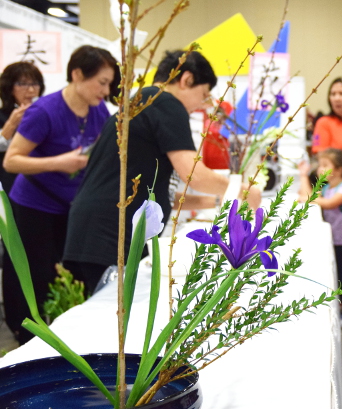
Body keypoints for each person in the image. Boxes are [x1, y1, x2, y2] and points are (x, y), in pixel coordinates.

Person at [63, 50, 249, 294]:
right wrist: (241, 189)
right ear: (187, 80)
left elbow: (163, 194)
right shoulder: (166, 102)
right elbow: (193, 174)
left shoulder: (145, 100)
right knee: (115, 317)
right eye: (203, 95)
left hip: (96, 228)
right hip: (109, 233)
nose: (201, 105)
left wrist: (220, 199)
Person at [3, 45, 119, 344]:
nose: (106, 91)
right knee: (34, 274)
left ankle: (67, 336)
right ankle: (26, 336)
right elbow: (11, 160)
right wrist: (62, 162)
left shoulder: (99, 111)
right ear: (77, 74)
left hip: (73, 207)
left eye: (109, 84)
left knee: (70, 273)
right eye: (101, 82)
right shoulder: (45, 111)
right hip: (34, 206)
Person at [298, 148, 342, 327]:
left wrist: (306, 198)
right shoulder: (326, 188)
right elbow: (311, 196)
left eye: (325, 166)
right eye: (320, 166)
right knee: (338, 275)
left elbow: (330, 203)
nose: (320, 170)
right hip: (335, 240)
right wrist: (303, 176)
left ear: (339, 170)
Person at [0, 61, 45, 193]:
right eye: (23, 84)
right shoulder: (2, 116)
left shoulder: (46, 114)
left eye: (35, 83)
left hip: (42, 183)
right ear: (9, 87)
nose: (31, 90)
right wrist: (11, 124)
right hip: (9, 184)